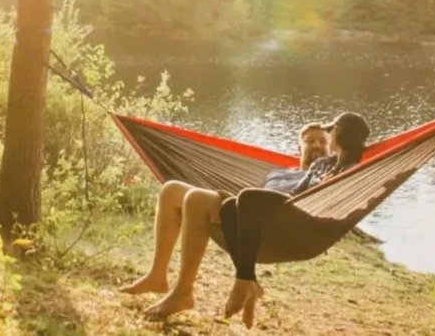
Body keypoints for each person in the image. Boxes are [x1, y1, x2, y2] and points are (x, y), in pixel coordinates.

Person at [120, 122, 332, 320]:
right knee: (171, 190)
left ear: (331, 149)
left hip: (282, 227)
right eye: (310, 141)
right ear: (298, 148)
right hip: (245, 212)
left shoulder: (329, 175)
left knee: (196, 199)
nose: (317, 145)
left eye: (323, 142)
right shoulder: (278, 173)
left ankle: (182, 293)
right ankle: (158, 276)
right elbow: (256, 195)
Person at [219, 112, 371, 326]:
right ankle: (248, 280)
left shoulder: (353, 171)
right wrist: (283, 199)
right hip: (295, 204)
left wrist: (325, 188)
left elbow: (347, 200)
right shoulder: (322, 164)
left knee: (246, 197)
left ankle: (242, 282)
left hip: (310, 219)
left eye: (332, 130)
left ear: (341, 135)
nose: (328, 135)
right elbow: (299, 189)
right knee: (228, 208)